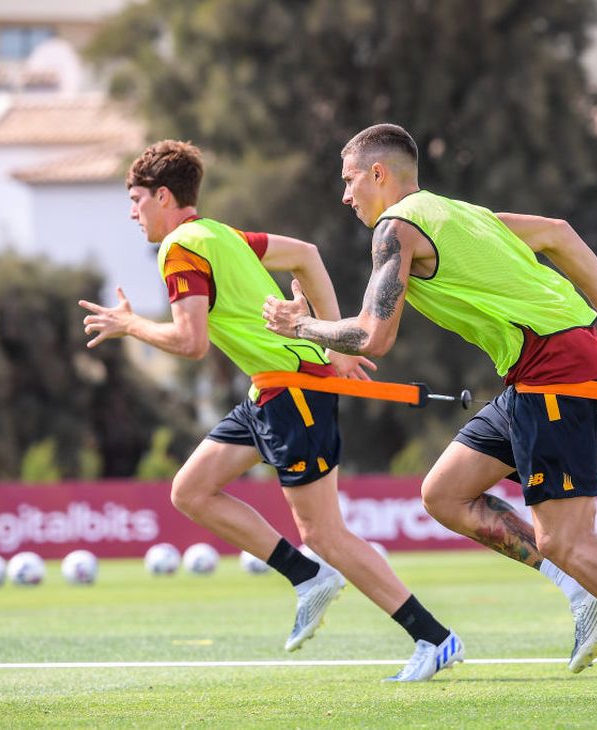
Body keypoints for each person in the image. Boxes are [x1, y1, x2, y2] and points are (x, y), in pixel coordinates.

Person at [262, 124, 597, 698]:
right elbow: (558, 233)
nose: (345, 195)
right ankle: (580, 590)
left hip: (553, 363)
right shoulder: (458, 213)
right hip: (537, 364)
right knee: (444, 493)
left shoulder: (395, 228)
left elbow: (372, 336)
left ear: (378, 174)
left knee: (566, 539)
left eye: (349, 179)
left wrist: (299, 325)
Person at [79, 139, 463, 682]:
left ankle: (434, 637)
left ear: (164, 196)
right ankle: (307, 578)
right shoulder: (220, 235)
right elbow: (306, 253)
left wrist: (128, 324)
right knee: (189, 490)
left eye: (137, 199)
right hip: (270, 391)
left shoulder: (181, 249)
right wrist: (336, 346)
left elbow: (191, 343)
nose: (133, 212)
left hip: (293, 392)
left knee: (326, 534)